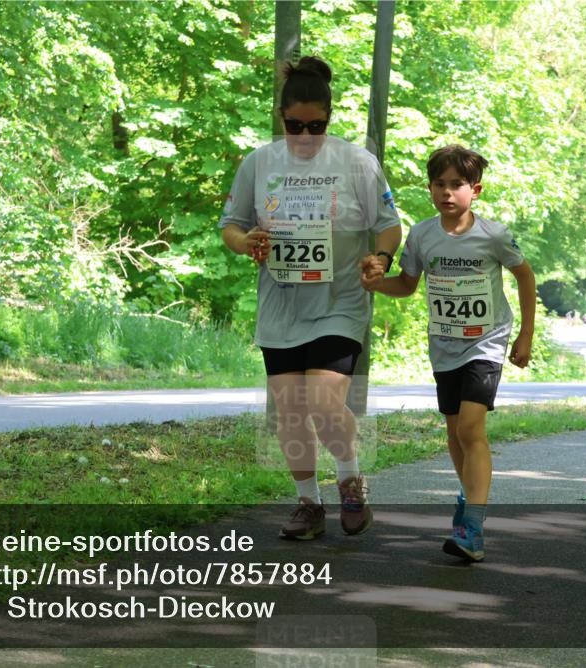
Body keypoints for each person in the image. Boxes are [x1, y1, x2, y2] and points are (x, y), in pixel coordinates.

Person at [219, 56, 402, 540]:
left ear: (329, 117)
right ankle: (308, 505)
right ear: (281, 118)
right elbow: (231, 227)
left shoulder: (358, 163)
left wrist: (379, 260)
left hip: (339, 302)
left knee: (323, 402)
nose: (304, 135)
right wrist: (246, 242)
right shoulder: (259, 162)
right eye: (295, 125)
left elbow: (388, 227)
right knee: (291, 412)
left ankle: (349, 479)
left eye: (315, 126)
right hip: (281, 306)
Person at [362, 145, 536, 561]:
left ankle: (472, 528)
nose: (447, 192)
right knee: (455, 432)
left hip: (486, 342)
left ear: (474, 190)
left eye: (457, 184)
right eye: (439, 184)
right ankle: (467, 496)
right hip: (444, 345)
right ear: (430, 188)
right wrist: (374, 283)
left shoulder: (492, 234)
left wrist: (525, 335)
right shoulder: (422, 235)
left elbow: (525, 277)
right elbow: (406, 284)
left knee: (471, 429)